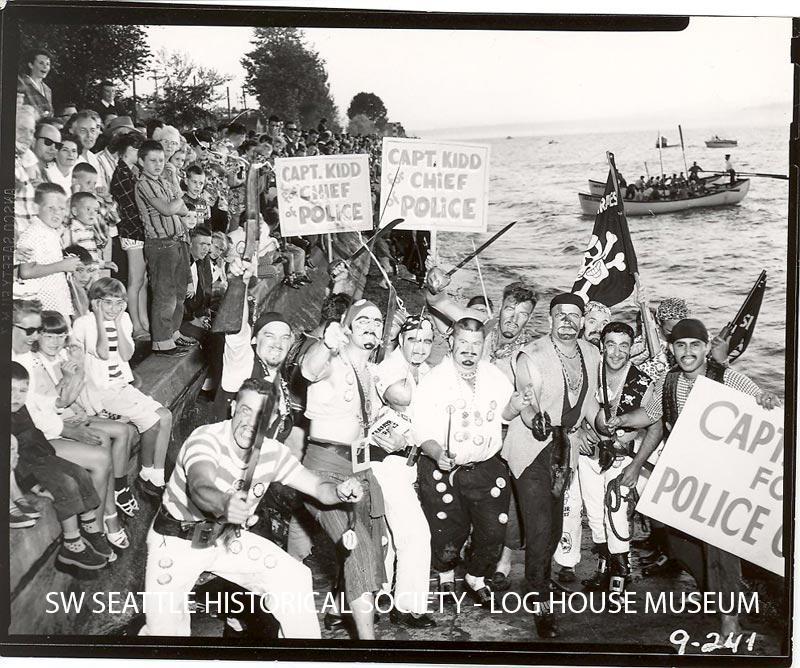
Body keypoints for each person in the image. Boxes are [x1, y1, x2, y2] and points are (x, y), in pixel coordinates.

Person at [140, 378, 366, 637]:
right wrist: (225, 504)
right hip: (176, 542)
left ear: (272, 421)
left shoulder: (274, 453)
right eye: (246, 411)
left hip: (224, 540)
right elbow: (200, 486)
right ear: (233, 408)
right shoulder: (206, 439)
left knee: (293, 578)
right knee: (165, 635)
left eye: (262, 415)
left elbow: (317, 488)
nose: (251, 423)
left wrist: (338, 491)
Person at [602, 318, 780, 636]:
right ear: (671, 349)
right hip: (689, 474)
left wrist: (766, 400)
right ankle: (719, 592)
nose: (688, 352)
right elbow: (652, 414)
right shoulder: (669, 382)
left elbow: (763, 405)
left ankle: (730, 623)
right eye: (681, 345)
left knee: (719, 547)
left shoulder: (728, 377)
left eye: (695, 345)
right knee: (675, 540)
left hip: (726, 476)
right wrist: (623, 419)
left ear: (706, 347)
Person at [504, 293, 602, 638]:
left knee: (557, 525)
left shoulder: (591, 353)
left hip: (565, 450)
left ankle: (540, 576)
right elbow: (526, 397)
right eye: (560, 314)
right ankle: (540, 599)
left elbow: (589, 403)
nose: (567, 320)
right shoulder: (532, 354)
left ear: (582, 321)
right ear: (550, 320)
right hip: (532, 448)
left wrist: (605, 425)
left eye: (574, 315)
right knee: (542, 526)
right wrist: (535, 421)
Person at [300, 299, 394, 639]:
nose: (371, 325)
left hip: (360, 468)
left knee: (375, 542)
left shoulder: (370, 372)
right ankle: (368, 647)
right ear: (348, 327)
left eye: (377, 321)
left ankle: (342, 610)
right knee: (358, 549)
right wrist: (326, 343)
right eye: (362, 320)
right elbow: (309, 370)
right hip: (324, 470)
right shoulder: (333, 360)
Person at [412, 317, 522, 605]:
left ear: (484, 346)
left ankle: (476, 576)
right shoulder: (433, 380)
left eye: (476, 344)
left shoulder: (496, 377)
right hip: (443, 469)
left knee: (493, 528)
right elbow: (421, 430)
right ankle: (446, 575)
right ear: (451, 342)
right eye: (463, 343)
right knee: (448, 527)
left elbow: (505, 417)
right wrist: (437, 453)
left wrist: (515, 406)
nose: (469, 350)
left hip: (486, 466)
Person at [71, 277, 174, 498]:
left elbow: (126, 354)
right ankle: (147, 476)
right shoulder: (85, 323)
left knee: (165, 416)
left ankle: (154, 475)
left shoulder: (124, 319)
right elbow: (103, 352)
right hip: (101, 392)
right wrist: (100, 318)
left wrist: (117, 323)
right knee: (154, 420)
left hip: (121, 386)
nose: (113, 308)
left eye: (119, 302)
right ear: (95, 302)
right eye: (107, 302)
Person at [11, 362, 112, 570]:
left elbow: (40, 433)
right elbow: (15, 465)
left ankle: (90, 526)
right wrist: (35, 487)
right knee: (67, 484)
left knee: (79, 473)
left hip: (44, 456)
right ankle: (72, 544)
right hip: (29, 467)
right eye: (10, 390)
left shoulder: (22, 409)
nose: (17, 397)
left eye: (22, 391)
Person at [372, 314, 437, 629]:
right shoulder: (390, 368)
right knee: (415, 534)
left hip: (407, 463)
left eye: (427, 341)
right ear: (400, 340)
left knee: (388, 537)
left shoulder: (425, 371)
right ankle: (409, 607)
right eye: (413, 339)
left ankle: (378, 601)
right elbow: (401, 397)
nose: (420, 347)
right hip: (384, 462)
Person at [553, 300, 611, 584]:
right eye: (592, 321)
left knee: (599, 506)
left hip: (600, 444)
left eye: (603, 325)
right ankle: (567, 561)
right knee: (570, 504)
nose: (596, 329)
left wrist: (601, 437)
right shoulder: (571, 357)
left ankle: (606, 560)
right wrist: (578, 431)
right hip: (573, 440)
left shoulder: (609, 359)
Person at [135, 139, 192, 356]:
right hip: (159, 244)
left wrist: (176, 192)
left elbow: (184, 210)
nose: (158, 165)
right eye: (152, 161)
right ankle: (161, 342)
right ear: (141, 161)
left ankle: (173, 333)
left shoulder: (164, 182)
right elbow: (169, 209)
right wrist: (177, 200)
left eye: (161, 160)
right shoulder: (144, 184)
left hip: (175, 240)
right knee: (164, 295)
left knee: (178, 292)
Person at [109, 131, 149, 340]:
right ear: (130, 150)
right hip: (132, 233)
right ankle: (136, 325)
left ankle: (144, 321)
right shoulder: (122, 174)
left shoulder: (131, 172)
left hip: (138, 232)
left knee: (142, 281)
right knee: (135, 281)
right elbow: (133, 208)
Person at [17, 182, 76, 321]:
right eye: (51, 208)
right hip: (43, 305)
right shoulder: (33, 233)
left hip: (56, 301)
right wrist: (61, 266)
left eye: (61, 208)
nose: (57, 213)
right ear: (35, 208)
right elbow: (25, 272)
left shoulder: (50, 231)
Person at [17, 48, 53, 117]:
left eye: (48, 64)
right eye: (41, 63)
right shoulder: (21, 84)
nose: (45, 67)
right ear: (31, 65)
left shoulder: (48, 90)